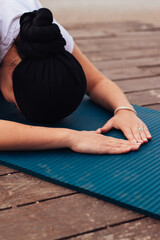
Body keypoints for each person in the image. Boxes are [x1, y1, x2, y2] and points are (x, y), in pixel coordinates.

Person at [0, 0, 151, 154]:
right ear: (12, 77)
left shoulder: (47, 37)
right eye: (18, 106)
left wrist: (124, 110)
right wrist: (70, 137)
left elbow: (97, 82)